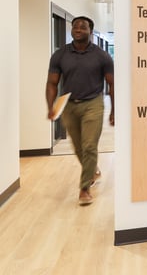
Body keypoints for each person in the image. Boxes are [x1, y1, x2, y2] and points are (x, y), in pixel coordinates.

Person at [46, 16, 114, 206]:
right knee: (78, 147)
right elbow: (52, 83)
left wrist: (113, 111)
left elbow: (111, 83)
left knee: (89, 145)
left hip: (93, 103)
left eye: (82, 27)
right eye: (75, 26)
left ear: (90, 31)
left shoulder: (101, 55)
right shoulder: (60, 55)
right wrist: (51, 106)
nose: (78, 29)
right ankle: (92, 170)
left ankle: (84, 188)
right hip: (69, 105)